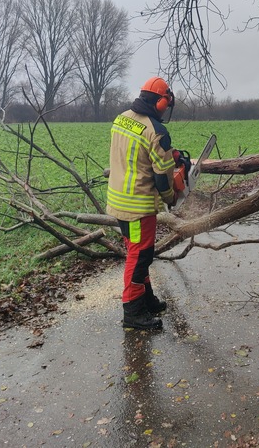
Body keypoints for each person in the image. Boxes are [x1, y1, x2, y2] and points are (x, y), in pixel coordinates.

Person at [106, 76, 180, 330]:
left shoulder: (121, 118)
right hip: (137, 208)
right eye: (165, 104)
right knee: (139, 257)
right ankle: (133, 312)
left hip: (118, 202)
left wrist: (170, 153)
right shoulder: (156, 132)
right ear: (160, 103)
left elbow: (136, 155)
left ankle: (146, 299)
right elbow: (162, 179)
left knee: (139, 255)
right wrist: (172, 197)